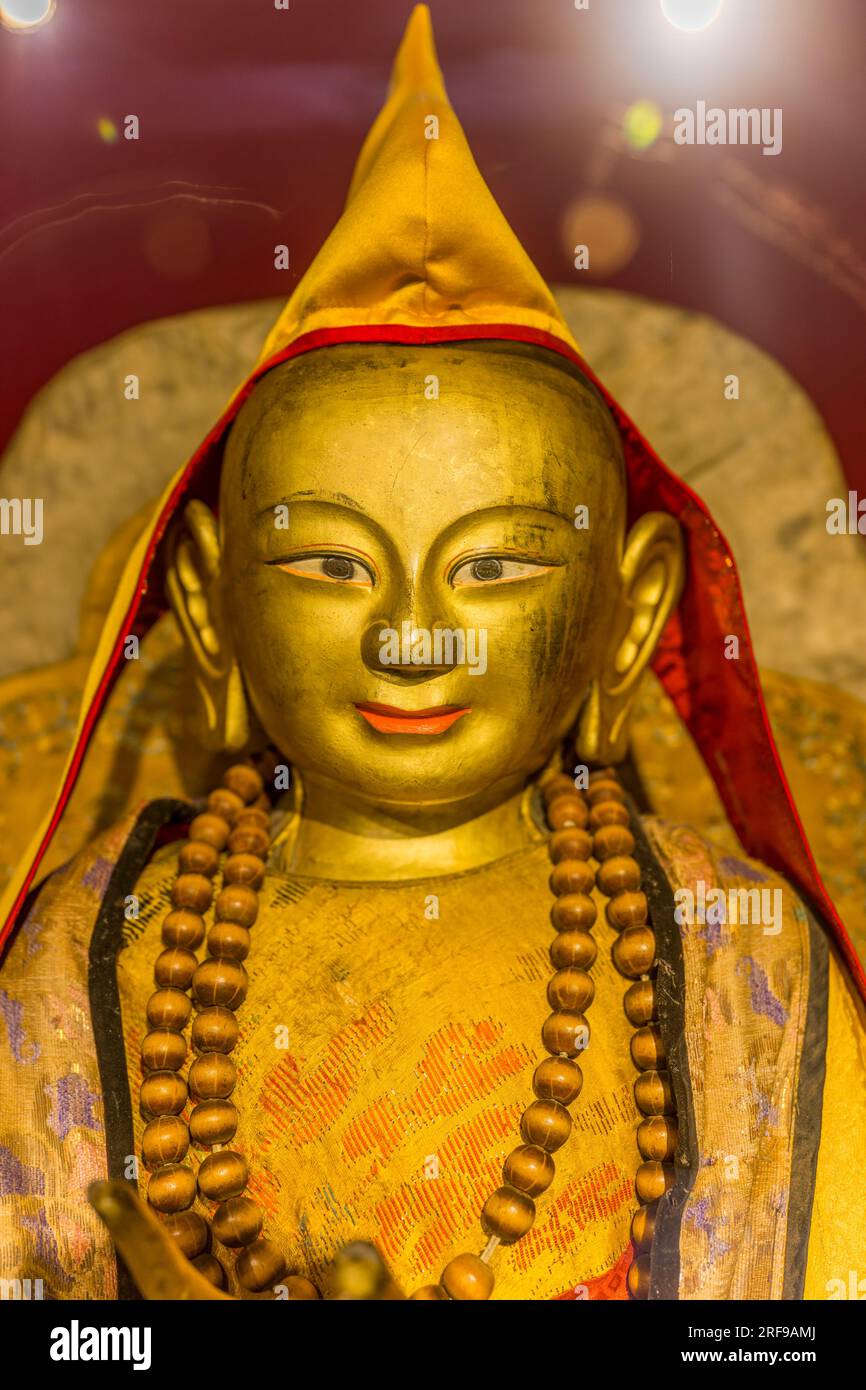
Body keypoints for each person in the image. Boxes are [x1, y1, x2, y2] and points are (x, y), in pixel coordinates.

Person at [1, 6, 863, 1302]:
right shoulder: (96, 949)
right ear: (207, 603)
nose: (409, 634)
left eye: (497, 564)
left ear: (629, 615)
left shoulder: (738, 958)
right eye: (328, 564)